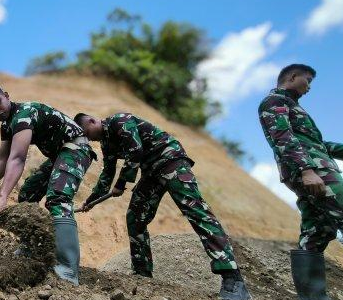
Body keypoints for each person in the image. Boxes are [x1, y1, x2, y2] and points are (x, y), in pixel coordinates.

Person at [75, 112, 250, 300]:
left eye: (86, 133)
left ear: (92, 121)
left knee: (195, 210)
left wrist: (121, 183)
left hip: (171, 160)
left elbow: (135, 150)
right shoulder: (106, 143)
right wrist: (91, 200)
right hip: (151, 172)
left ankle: (233, 278)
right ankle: (143, 275)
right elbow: (107, 174)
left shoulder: (120, 121)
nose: (88, 138)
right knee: (135, 217)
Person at [0, 83, 95, 285]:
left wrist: (2, 198)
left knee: (58, 198)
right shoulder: (7, 125)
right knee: (28, 194)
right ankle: (32, 248)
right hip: (58, 155)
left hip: (76, 148)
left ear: (7, 96)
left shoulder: (24, 114)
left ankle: (68, 270)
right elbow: (3, 160)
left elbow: (17, 158)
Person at [259, 64, 343, 299]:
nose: (309, 87)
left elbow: (320, 145)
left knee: (317, 231)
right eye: (308, 81)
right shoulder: (275, 101)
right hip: (316, 173)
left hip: (315, 170)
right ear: (292, 77)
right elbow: (282, 137)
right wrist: (306, 170)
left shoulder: (293, 107)